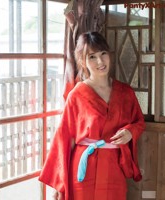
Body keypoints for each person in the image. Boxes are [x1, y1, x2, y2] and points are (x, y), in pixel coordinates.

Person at [38, 32, 145, 200]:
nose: (100, 62)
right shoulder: (77, 95)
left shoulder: (126, 92)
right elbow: (64, 138)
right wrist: (61, 183)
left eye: (103, 54)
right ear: (83, 62)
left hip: (113, 166)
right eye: (92, 57)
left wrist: (130, 132)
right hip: (83, 168)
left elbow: (139, 122)